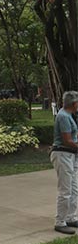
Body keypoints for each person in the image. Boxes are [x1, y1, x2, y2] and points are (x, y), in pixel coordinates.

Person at [50, 91, 78, 234]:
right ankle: (60, 221)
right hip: (62, 154)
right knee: (65, 190)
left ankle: (70, 217)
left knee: (74, 188)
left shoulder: (69, 115)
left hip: (71, 155)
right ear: (74, 104)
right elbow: (67, 141)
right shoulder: (63, 116)